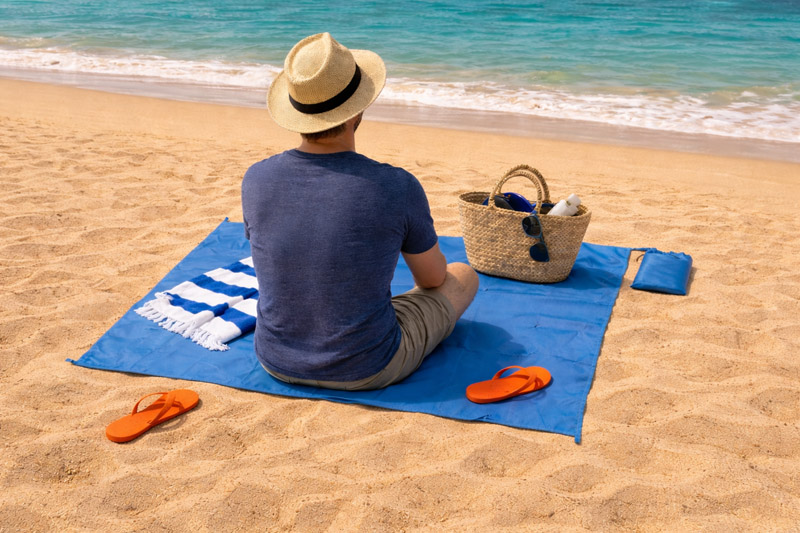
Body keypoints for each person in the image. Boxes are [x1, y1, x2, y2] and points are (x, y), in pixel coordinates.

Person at [241, 33, 478, 391]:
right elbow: (431, 279)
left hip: (276, 359)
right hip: (367, 366)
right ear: (356, 110)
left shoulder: (256, 178)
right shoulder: (395, 185)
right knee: (463, 274)